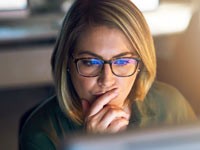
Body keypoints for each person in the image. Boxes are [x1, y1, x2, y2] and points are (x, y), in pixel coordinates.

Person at [19, 0, 197, 149]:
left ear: (141, 64)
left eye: (122, 62)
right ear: (67, 64)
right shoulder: (40, 133)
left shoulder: (171, 106)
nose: (107, 80)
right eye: (90, 62)